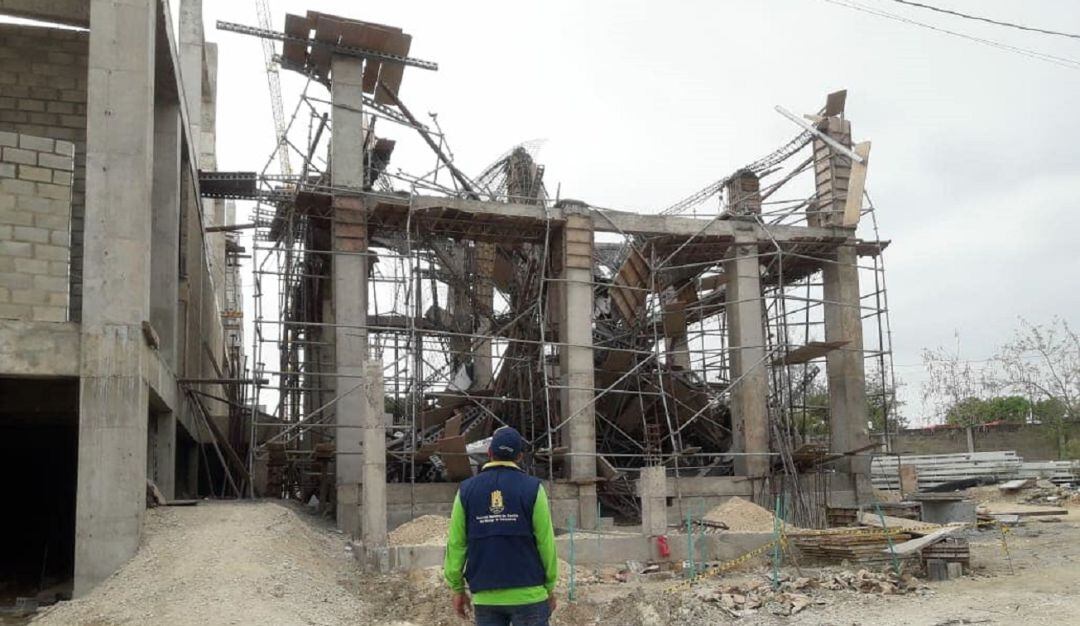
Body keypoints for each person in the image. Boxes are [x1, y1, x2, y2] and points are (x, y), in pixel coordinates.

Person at [443, 426, 558, 626]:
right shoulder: (533, 489)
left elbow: (456, 544)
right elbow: (546, 543)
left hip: (486, 596)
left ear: (489, 453)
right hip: (529, 594)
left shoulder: (466, 491)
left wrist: (457, 588)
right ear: (520, 456)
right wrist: (549, 586)